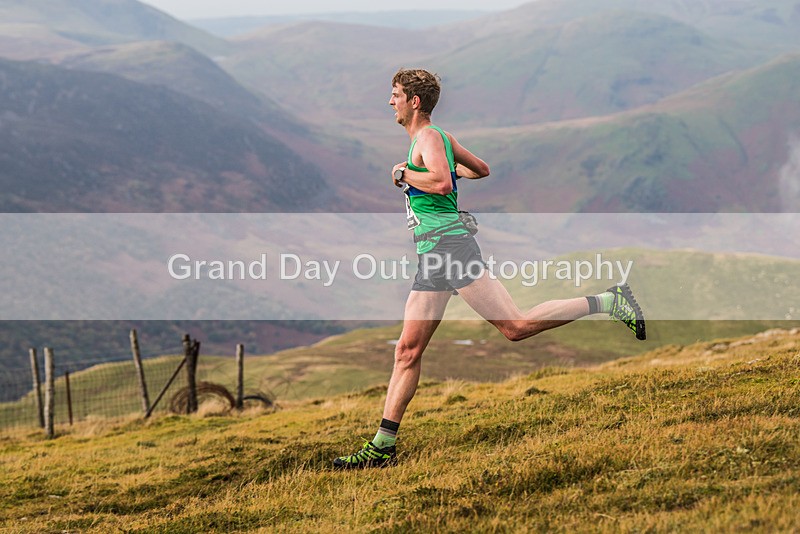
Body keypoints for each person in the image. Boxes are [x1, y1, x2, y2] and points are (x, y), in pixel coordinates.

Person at [333, 68, 645, 469]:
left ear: (414, 101)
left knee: (514, 327)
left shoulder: (427, 137)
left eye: (395, 94)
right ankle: (381, 447)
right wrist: (444, 170)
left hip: (451, 248)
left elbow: (443, 184)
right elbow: (481, 169)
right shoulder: (439, 139)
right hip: (434, 255)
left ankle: (609, 301)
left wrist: (403, 174)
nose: (389, 101)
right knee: (407, 351)